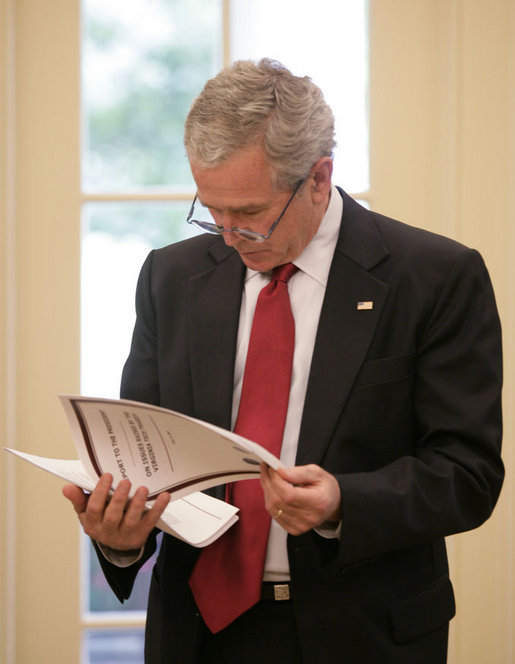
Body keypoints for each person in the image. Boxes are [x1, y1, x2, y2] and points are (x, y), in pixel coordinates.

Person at [63, 59, 503, 663]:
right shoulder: (171, 277)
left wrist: (344, 501)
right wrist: (120, 536)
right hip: (196, 632)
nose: (227, 235)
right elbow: (144, 452)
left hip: (363, 633)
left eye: (248, 214)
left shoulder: (434, 277)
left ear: (319, 178)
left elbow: (467, 473)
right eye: (211, 211)